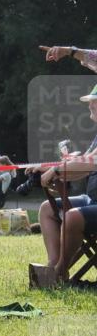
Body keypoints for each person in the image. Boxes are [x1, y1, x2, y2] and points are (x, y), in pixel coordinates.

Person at [34, 83, 97, 282]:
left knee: (72, 217)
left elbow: (90, 163)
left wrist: (57, 170)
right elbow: (82, 168)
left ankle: (60, 271)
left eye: (95, 102)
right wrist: (51, 170)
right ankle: (52, 265)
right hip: (92, 200)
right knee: (47, 209)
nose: (91, 106)